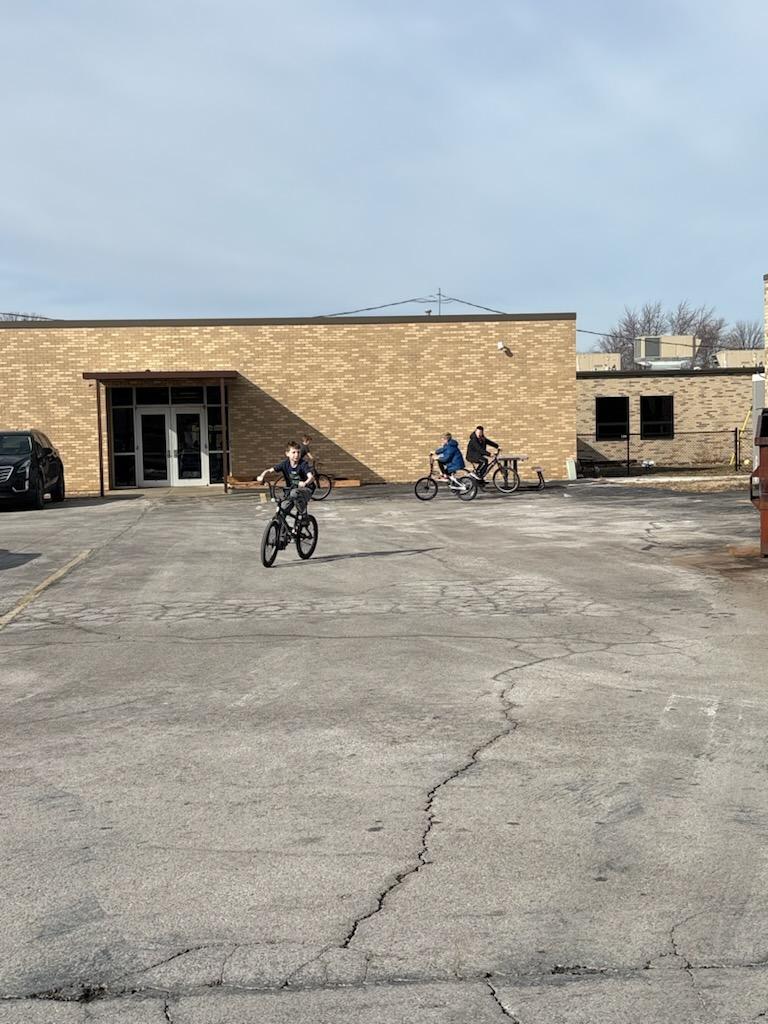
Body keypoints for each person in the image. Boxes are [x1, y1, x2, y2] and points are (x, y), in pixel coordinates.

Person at [257, 441, 315, 513]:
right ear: (287, 454)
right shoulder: (284, 464)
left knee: (294, 493)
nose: (296, 455)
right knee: (281, 511)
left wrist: (305, 483)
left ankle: (303, 516)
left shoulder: (303, 464)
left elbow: (311, 477)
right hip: (291, 491)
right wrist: (262, 475)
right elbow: (270, 470)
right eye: (293, 452)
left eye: (298, 452)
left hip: (306, 490)